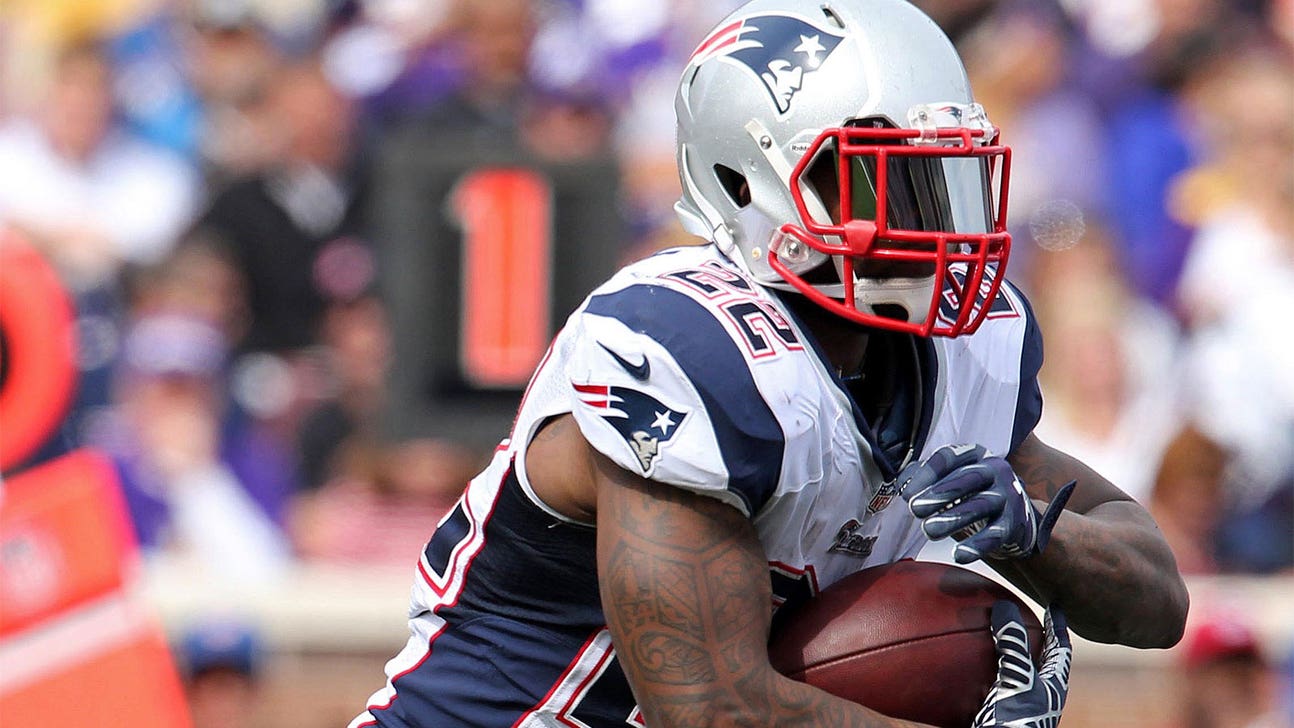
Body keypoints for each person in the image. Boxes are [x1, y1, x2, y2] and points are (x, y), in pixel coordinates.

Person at [352, 1, 1188, 726]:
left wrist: (1042, 540)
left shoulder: (964, 348)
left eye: (941, 178)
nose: (928, 218)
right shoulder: (682, 347)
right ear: (747, 183)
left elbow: (1158, 600)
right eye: (884, 183)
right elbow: (713, 710)